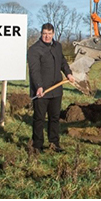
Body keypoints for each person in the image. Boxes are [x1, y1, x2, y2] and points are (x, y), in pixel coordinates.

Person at [27, 23, 75, 154]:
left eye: (49, 34)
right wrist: (39, 86)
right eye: (44, 34)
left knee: (54, 118)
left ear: (53, 33)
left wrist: (68, 73)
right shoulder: (34, 49)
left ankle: (54, 143)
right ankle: (37, 145)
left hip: (56, 89)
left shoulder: (57, 46)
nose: (47, 36)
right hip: (42, 91)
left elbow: (63, 61)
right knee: (39, 118)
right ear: (41, 34)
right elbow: (34, 70)